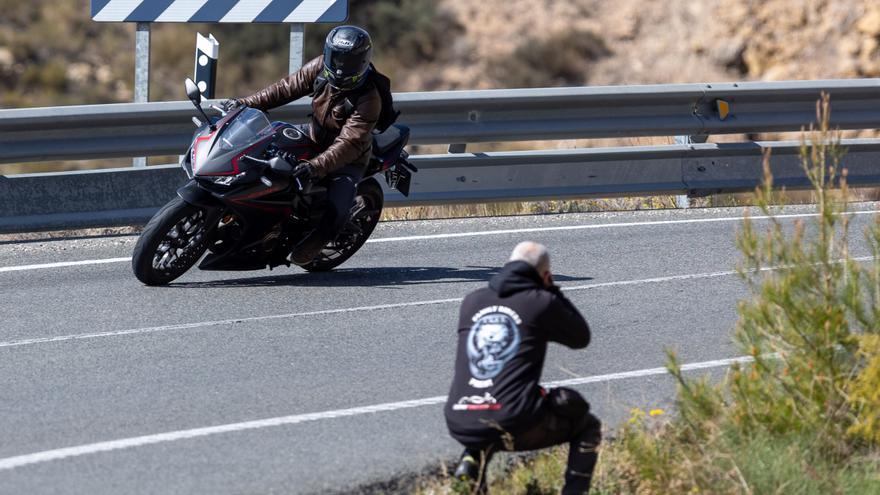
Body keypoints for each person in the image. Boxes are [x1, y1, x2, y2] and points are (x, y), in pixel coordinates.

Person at [444, 241, 601, 494]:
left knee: (486, 430)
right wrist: (553, 292)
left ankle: (471, 460)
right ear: (545, 276)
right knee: (587, 424)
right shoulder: (541, 302)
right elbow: (580, 337)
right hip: (513, 420)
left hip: (460, 418)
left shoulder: (471, 301)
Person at [230, 25, 381, 264]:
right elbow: (285, 88)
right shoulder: (321, 67)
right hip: (313, 135)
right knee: (264, 144)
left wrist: (315, 166)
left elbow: (348, 143)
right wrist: (245, 104)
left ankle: (317, 241)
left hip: (349, 158)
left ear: (362, 61)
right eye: (336, 57)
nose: (340, 65)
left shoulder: (368, 98)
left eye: (348, 60)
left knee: (337, 207)